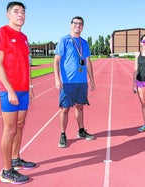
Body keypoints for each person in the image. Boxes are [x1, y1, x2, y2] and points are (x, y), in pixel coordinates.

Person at [0, 1, 36, 184]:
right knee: (9, 129)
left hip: (24, 89)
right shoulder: (1, 33)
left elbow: (26, 64)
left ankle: (16, 159)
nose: (21, 15)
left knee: (20, 124)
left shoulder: (24, 37)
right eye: (16, 11)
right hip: (9, 90)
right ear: (8, 15)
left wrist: (30, 86)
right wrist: (10, 90)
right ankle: (6, 170)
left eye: (23, 12)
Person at [54, 16, 96, 148]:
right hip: (68, 82)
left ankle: (81, 130)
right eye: (75, 23)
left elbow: (88, 62)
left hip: (82, 82)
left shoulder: (84, 43)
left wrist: (92, 80)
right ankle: (62, 134)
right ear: (71, 25)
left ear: (83, 27)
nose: (78, 25)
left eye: (80, 24)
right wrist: (57, 78)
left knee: (80, 106)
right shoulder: (64, 40)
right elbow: (56, 60)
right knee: (65, 109)